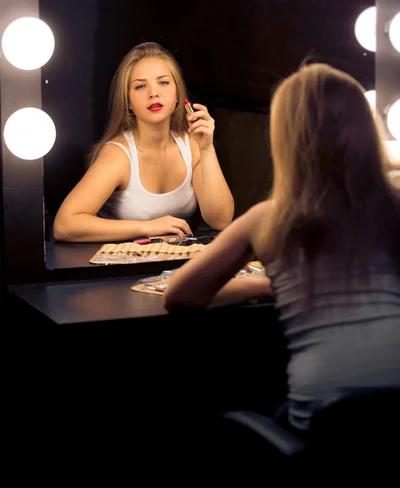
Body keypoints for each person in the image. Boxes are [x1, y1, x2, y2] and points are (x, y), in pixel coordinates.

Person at [164, 63, 400, 431]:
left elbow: (180, 295)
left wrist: (265, 284)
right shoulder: (393, 207)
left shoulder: (269, 219)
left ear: (286, 138)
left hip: (323, 420)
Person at [54, 42, 234, 242]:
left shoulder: (192, 144)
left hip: (171, 267)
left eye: (163, 82)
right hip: (119, 266)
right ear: (129, 102)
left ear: (177, 96)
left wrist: (207, 148)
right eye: (140, 86)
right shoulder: (119, 155)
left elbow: (221, 220)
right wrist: (147, 227)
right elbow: (64, 225)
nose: (153, 93)